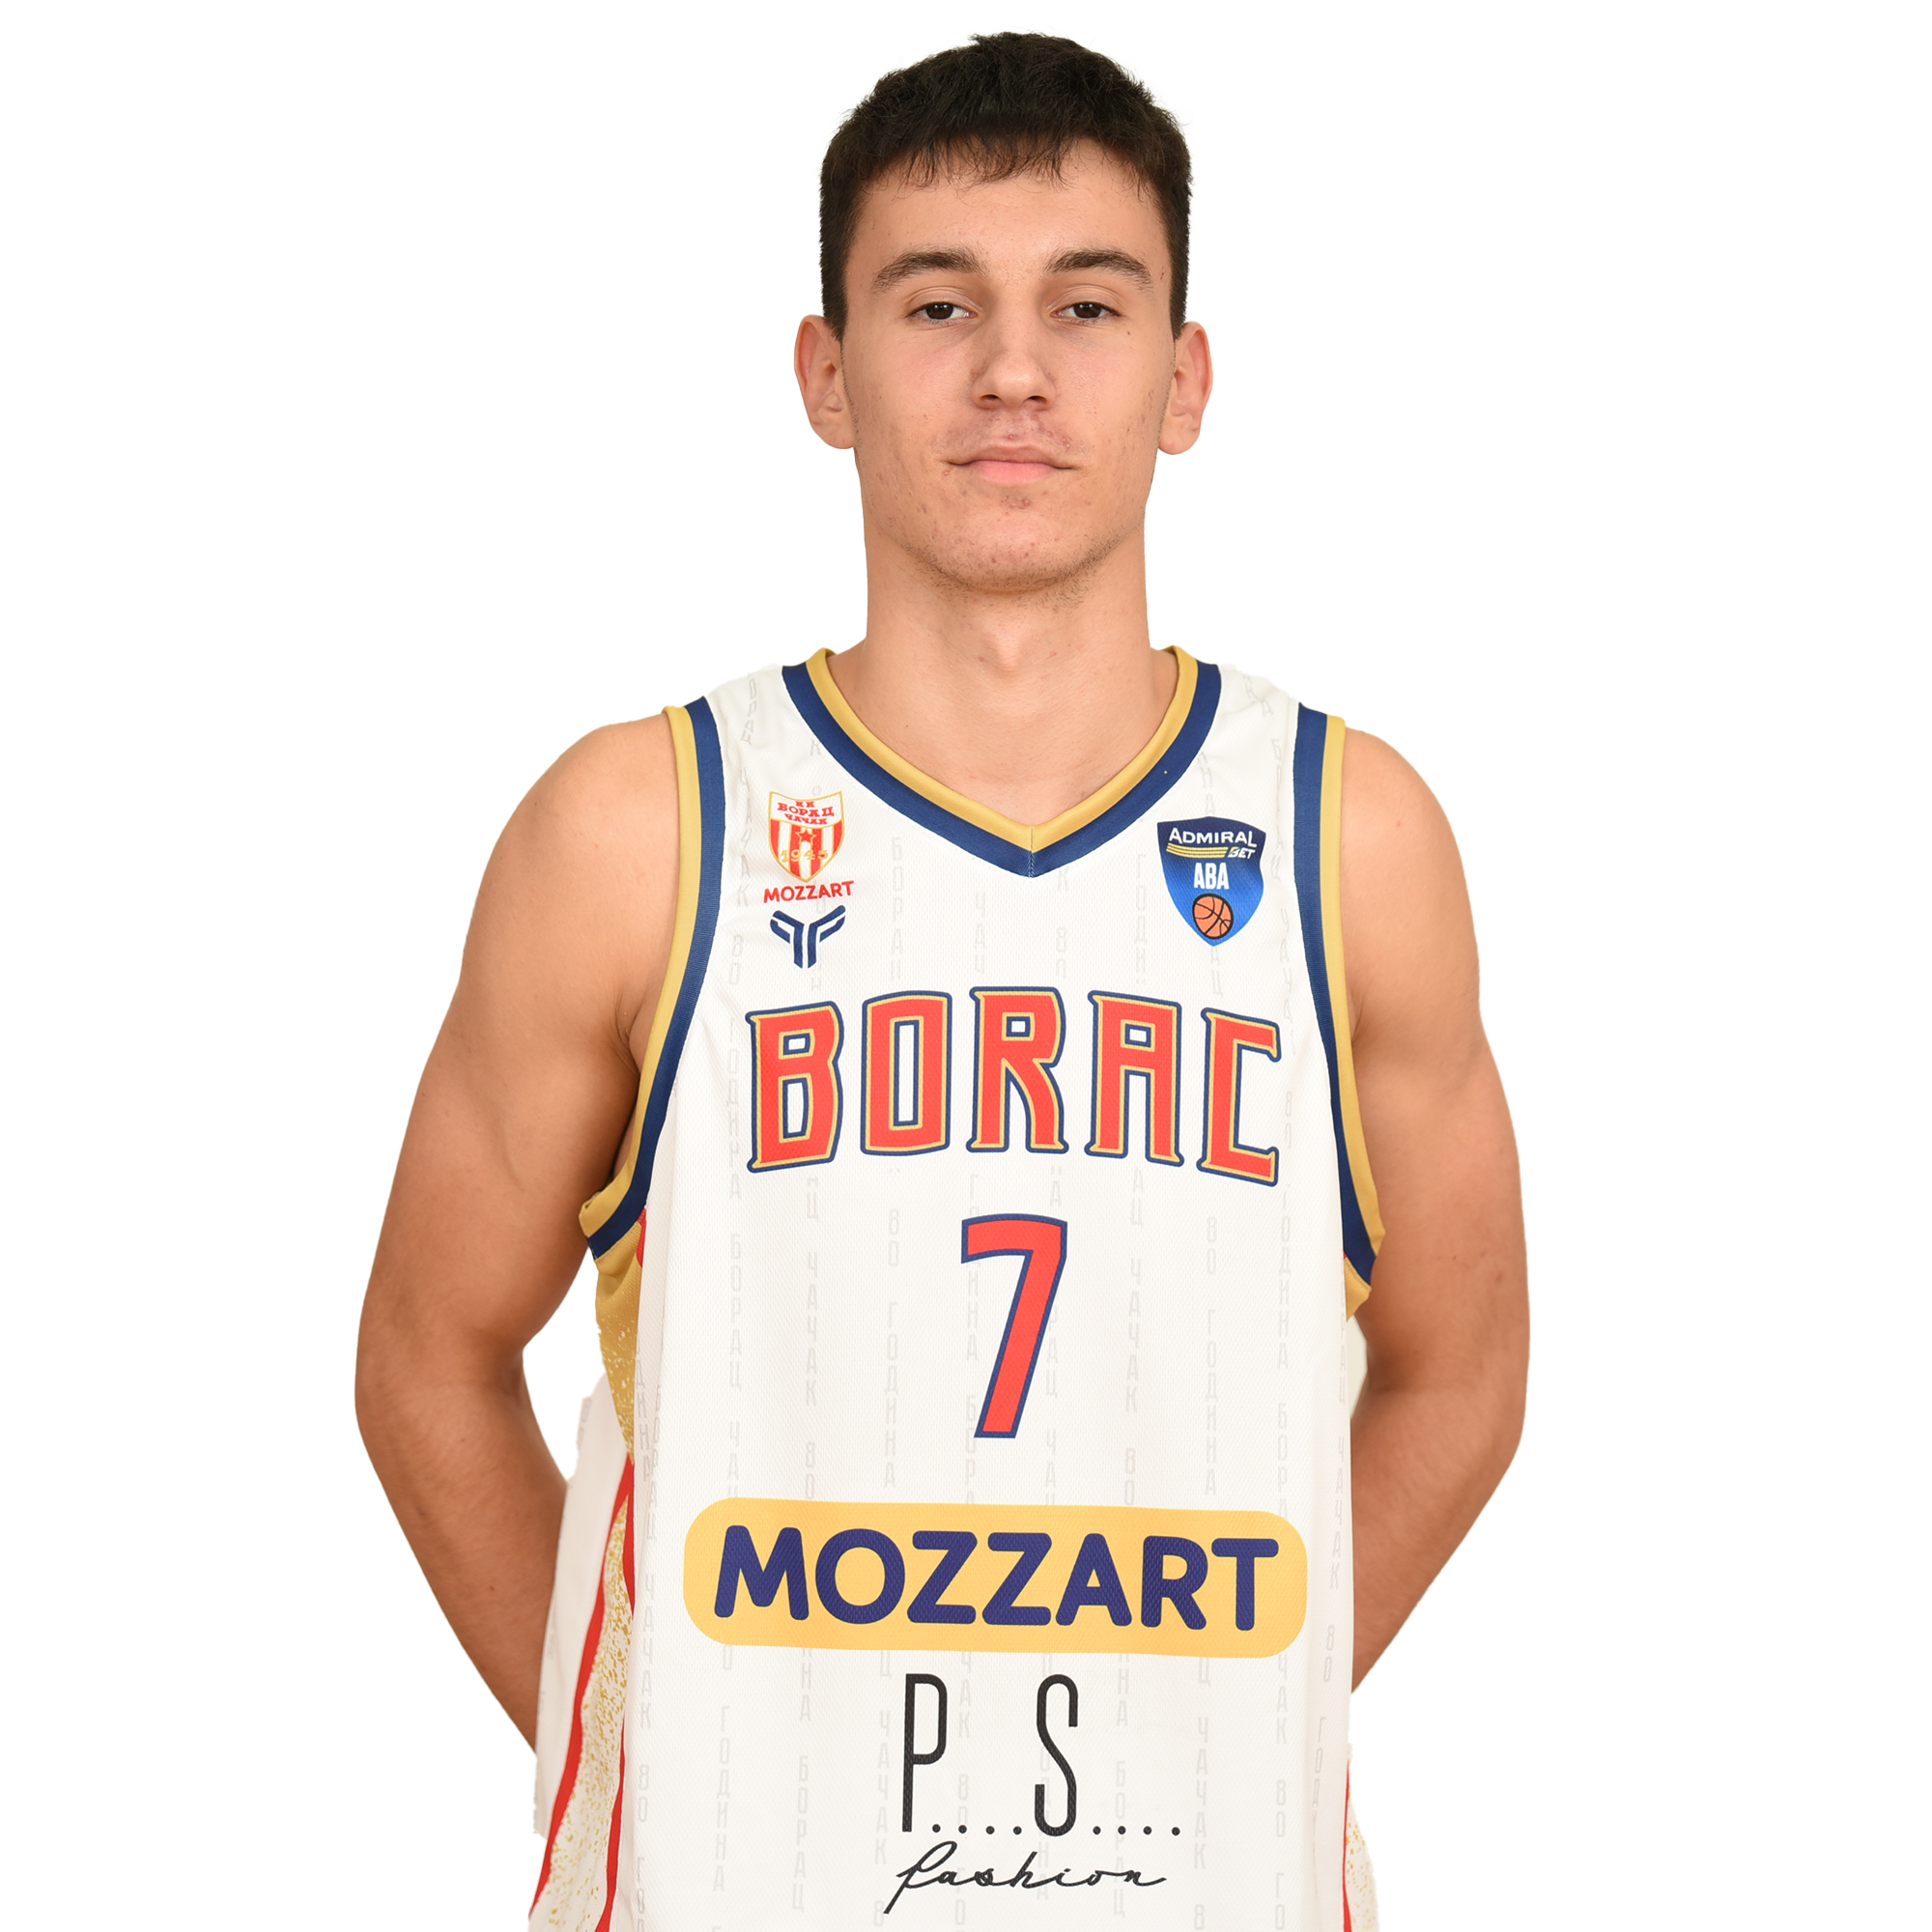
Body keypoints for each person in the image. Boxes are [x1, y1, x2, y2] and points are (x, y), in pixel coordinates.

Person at [356, 29, 1527, 1932]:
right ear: (826, 373)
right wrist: (659, 1747)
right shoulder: (638, 830)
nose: (1013, 371)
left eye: (1089, 304)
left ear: (1184, 377)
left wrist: (1236, 1722)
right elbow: (423, 1355)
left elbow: (1462, 1369)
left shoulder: (1346, 837)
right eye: (935, 303)